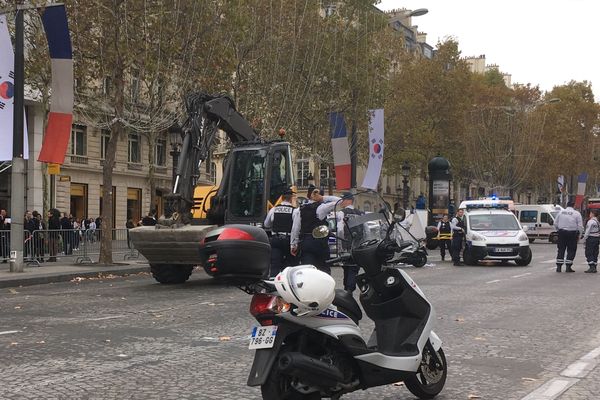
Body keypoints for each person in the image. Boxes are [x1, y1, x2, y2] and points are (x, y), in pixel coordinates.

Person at [291, 185, 340, 275]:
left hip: (305, 242)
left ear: (307, 195)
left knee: (307, 271)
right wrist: (323, 198)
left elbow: (295, 229)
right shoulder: (322, 208)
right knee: (324, 270)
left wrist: (293, 244)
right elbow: (339, 201)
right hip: (320, 243)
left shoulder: (299, 210)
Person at [263, 188, 297, 277]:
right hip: (288, 240)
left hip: (275, 239)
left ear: (281, 198)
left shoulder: (274, 209)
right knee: (289, 264)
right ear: (290, 199)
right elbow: (295, 228)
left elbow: (266, 224)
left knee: (275, 263)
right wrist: (294, 244)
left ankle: (273, 282)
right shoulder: (294, 211)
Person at [336, 192, 362, 293]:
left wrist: (341, 244)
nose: (341, 202)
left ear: (349, 200)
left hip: (346, 244)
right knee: (354, 267)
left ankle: (348, 289)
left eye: (342, 199)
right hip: (358, 245)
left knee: (347, 267)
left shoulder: (342, 212)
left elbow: (340, 230)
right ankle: (349, 288)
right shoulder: (359, 213)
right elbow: (366, 229)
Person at [554, 201, 584, 272]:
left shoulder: (561, 212)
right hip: (572, 234)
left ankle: (559, 267)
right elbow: (580, 226)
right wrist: (580, 234)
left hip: (562, 233)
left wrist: (558, 230)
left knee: (561, 249)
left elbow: (555, 223)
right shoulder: (577, 213)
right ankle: (568, 267)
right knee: (571, 249)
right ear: (573, 206)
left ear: (567, 205)